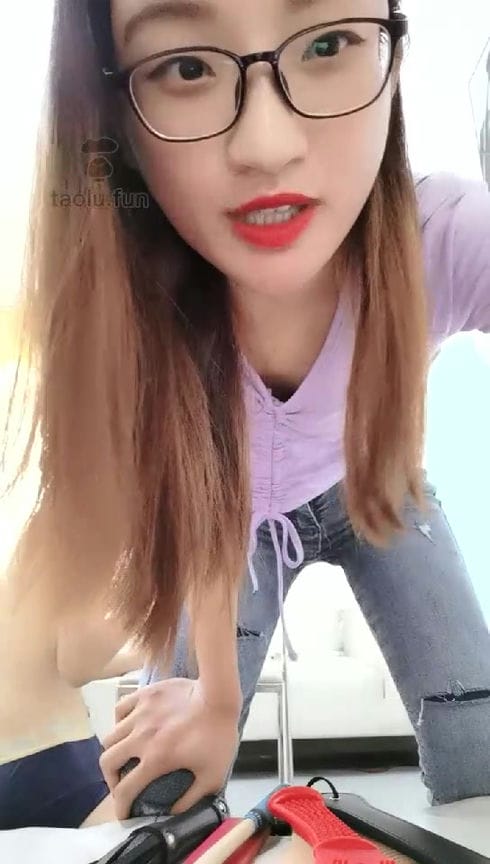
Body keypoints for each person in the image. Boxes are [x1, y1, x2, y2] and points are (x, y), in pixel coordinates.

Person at [3, 0, 489, 826]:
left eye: (328, 42)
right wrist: (215, 700)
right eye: (187, 66)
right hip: (229, 523)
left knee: (476, 731)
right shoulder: (142, 316)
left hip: (379, 487)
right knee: (165, 782)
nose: (267, 145)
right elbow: (199, 504)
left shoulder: (440, 233)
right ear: (117, 116)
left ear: (391, 55)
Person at [0, 542, 145, 828]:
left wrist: (137, 658)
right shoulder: (82, 543)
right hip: (57, 761)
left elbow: (51, 660)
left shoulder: (21, 566)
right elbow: (77, 665)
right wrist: (150, 591)